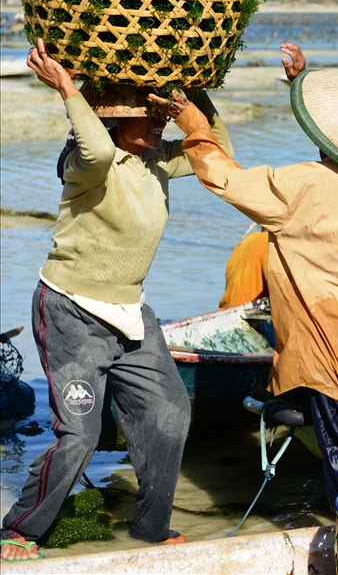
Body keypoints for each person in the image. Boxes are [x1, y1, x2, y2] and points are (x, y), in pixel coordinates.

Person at [148, 43, 338, 505]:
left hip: (334, 351)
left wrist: (195, 126)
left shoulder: (301, 186)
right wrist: (301, 85)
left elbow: (225, 178)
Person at [0, 39, 233, 563]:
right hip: (71, 312)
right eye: (144, 117)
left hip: (130, 311)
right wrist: (65, 88)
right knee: (78, 433)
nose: (156, 125)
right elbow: (97, 149)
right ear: (111, 121)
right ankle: (20, 528)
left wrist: (192, 93)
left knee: (170, 413)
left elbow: (215, 150)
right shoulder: (88, 167)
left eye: (158, 117)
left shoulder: (159, 161)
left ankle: (152, 527)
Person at [219, 228, 270, 309]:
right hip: (249, 314)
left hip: (227, 311)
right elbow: (280, 292)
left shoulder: (245, 241)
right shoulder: (271, 244)